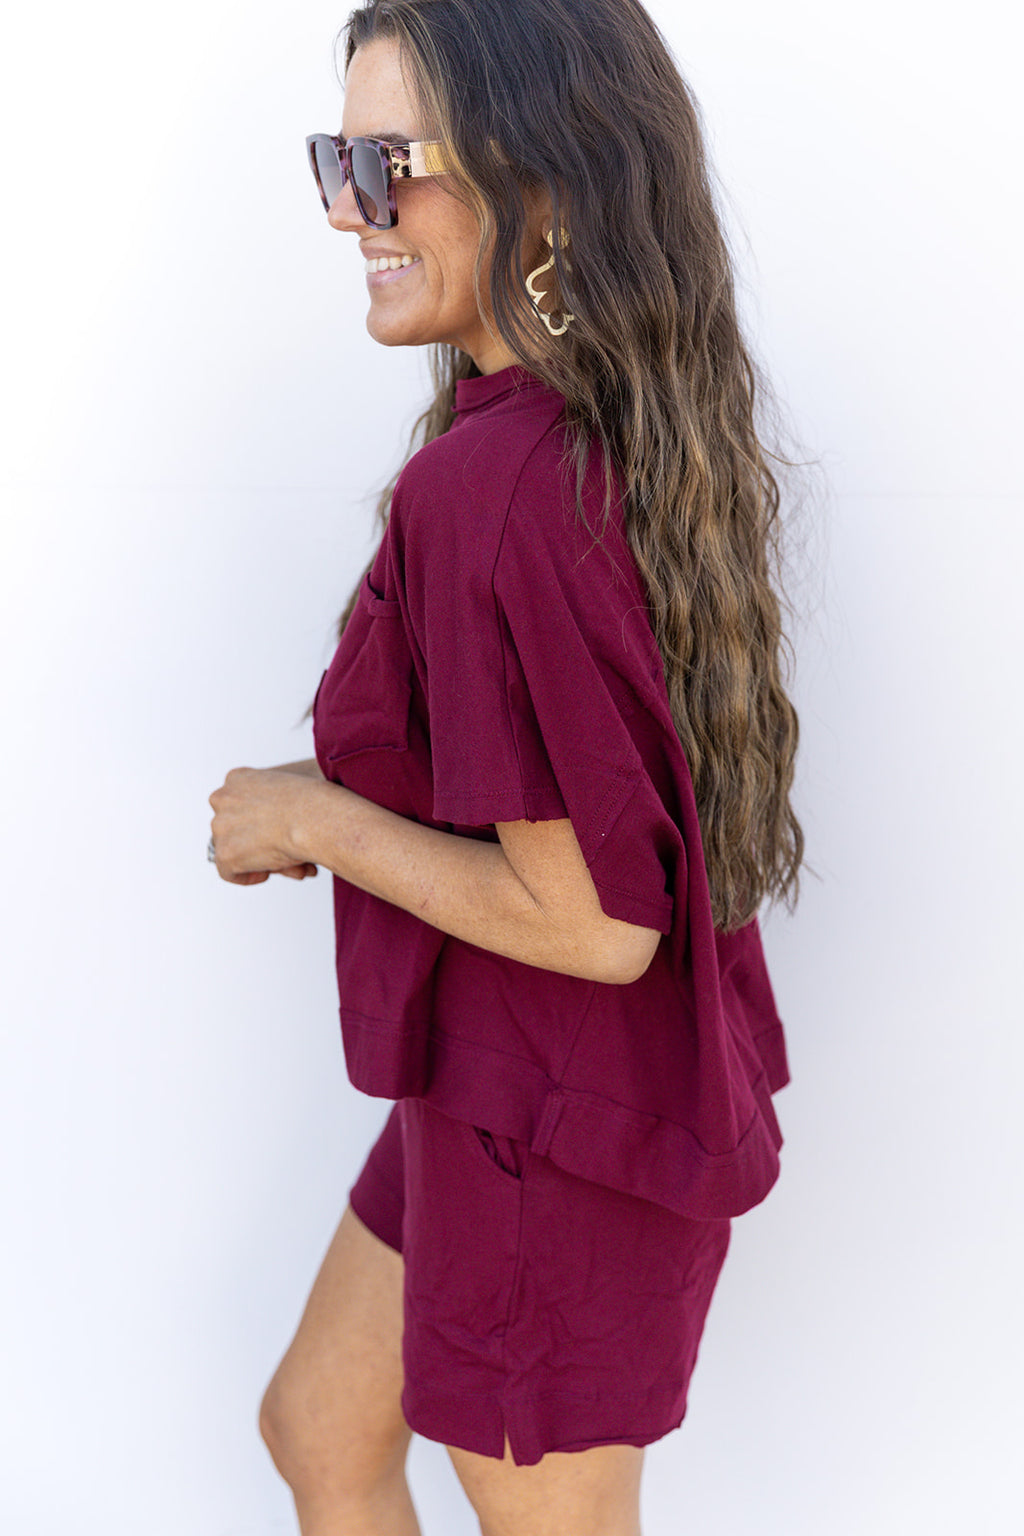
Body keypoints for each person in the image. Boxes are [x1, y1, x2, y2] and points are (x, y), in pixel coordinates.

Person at [207, 1, 806, 1531]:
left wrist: (307, 815)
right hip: (492, 1082)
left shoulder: (498, 487)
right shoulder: (574, 433)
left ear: (538, 171)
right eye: (336, 161)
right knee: (321, 1427)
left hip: (556, 1131)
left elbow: (598, 922)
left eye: (385, 165)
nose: (349, 211)